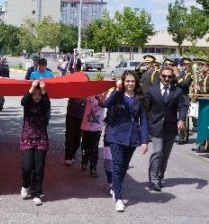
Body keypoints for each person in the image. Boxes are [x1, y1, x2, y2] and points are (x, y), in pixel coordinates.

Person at [103, 70, 149, 212]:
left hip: (132, 136)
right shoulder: (117, 95)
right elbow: (106, 104)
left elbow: (144, 120)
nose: (130, 84)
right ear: (123, 82)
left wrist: (144, 141)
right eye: (127, 81)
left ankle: (115, 188)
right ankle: (118, 198)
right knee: (117, 164)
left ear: (136, 83)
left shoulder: (140, 98)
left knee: (123, 166)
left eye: (132, 81)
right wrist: (117, 90)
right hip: (115, 135)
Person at [146, 66, 187, 192]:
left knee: (165, 154)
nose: (166, 79)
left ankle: (159, 176)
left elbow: (182, 106)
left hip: (170, 127)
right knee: (157, 151)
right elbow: (146, 108)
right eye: (164, 76)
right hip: (156, 126)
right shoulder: (152, 90)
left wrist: (181, 119)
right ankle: (154, 180)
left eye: (169, 77)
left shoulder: (178, 91)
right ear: (160, 76)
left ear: (172, 78)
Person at [20, 80, 51, 206]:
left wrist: (44, 91)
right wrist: (32, 88)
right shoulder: (28, 103)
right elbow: (23, 101)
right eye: (35, 94)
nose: (37, 96)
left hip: (41, 139)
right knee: (27, 167)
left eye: (39, 94)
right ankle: (26, 185)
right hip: (27, 137)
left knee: (38, 168)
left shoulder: (44, 105)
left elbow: (47, 104)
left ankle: (36, 193)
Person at [80, 91, 108, 178]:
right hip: (86, 127)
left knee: (94, 148)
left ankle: (93, 167)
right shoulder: (89, 96)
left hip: (97, 128)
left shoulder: (104, 97)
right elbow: (80, 100)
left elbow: (102, 103)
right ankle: (84, 161)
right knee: (84, 146)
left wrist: (104, 92)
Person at [63, 98, 86, 165]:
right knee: (70, 136)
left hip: (82, 116)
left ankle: (72, 153)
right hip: (71, 114)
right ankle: (68, 157)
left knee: (78, 138)